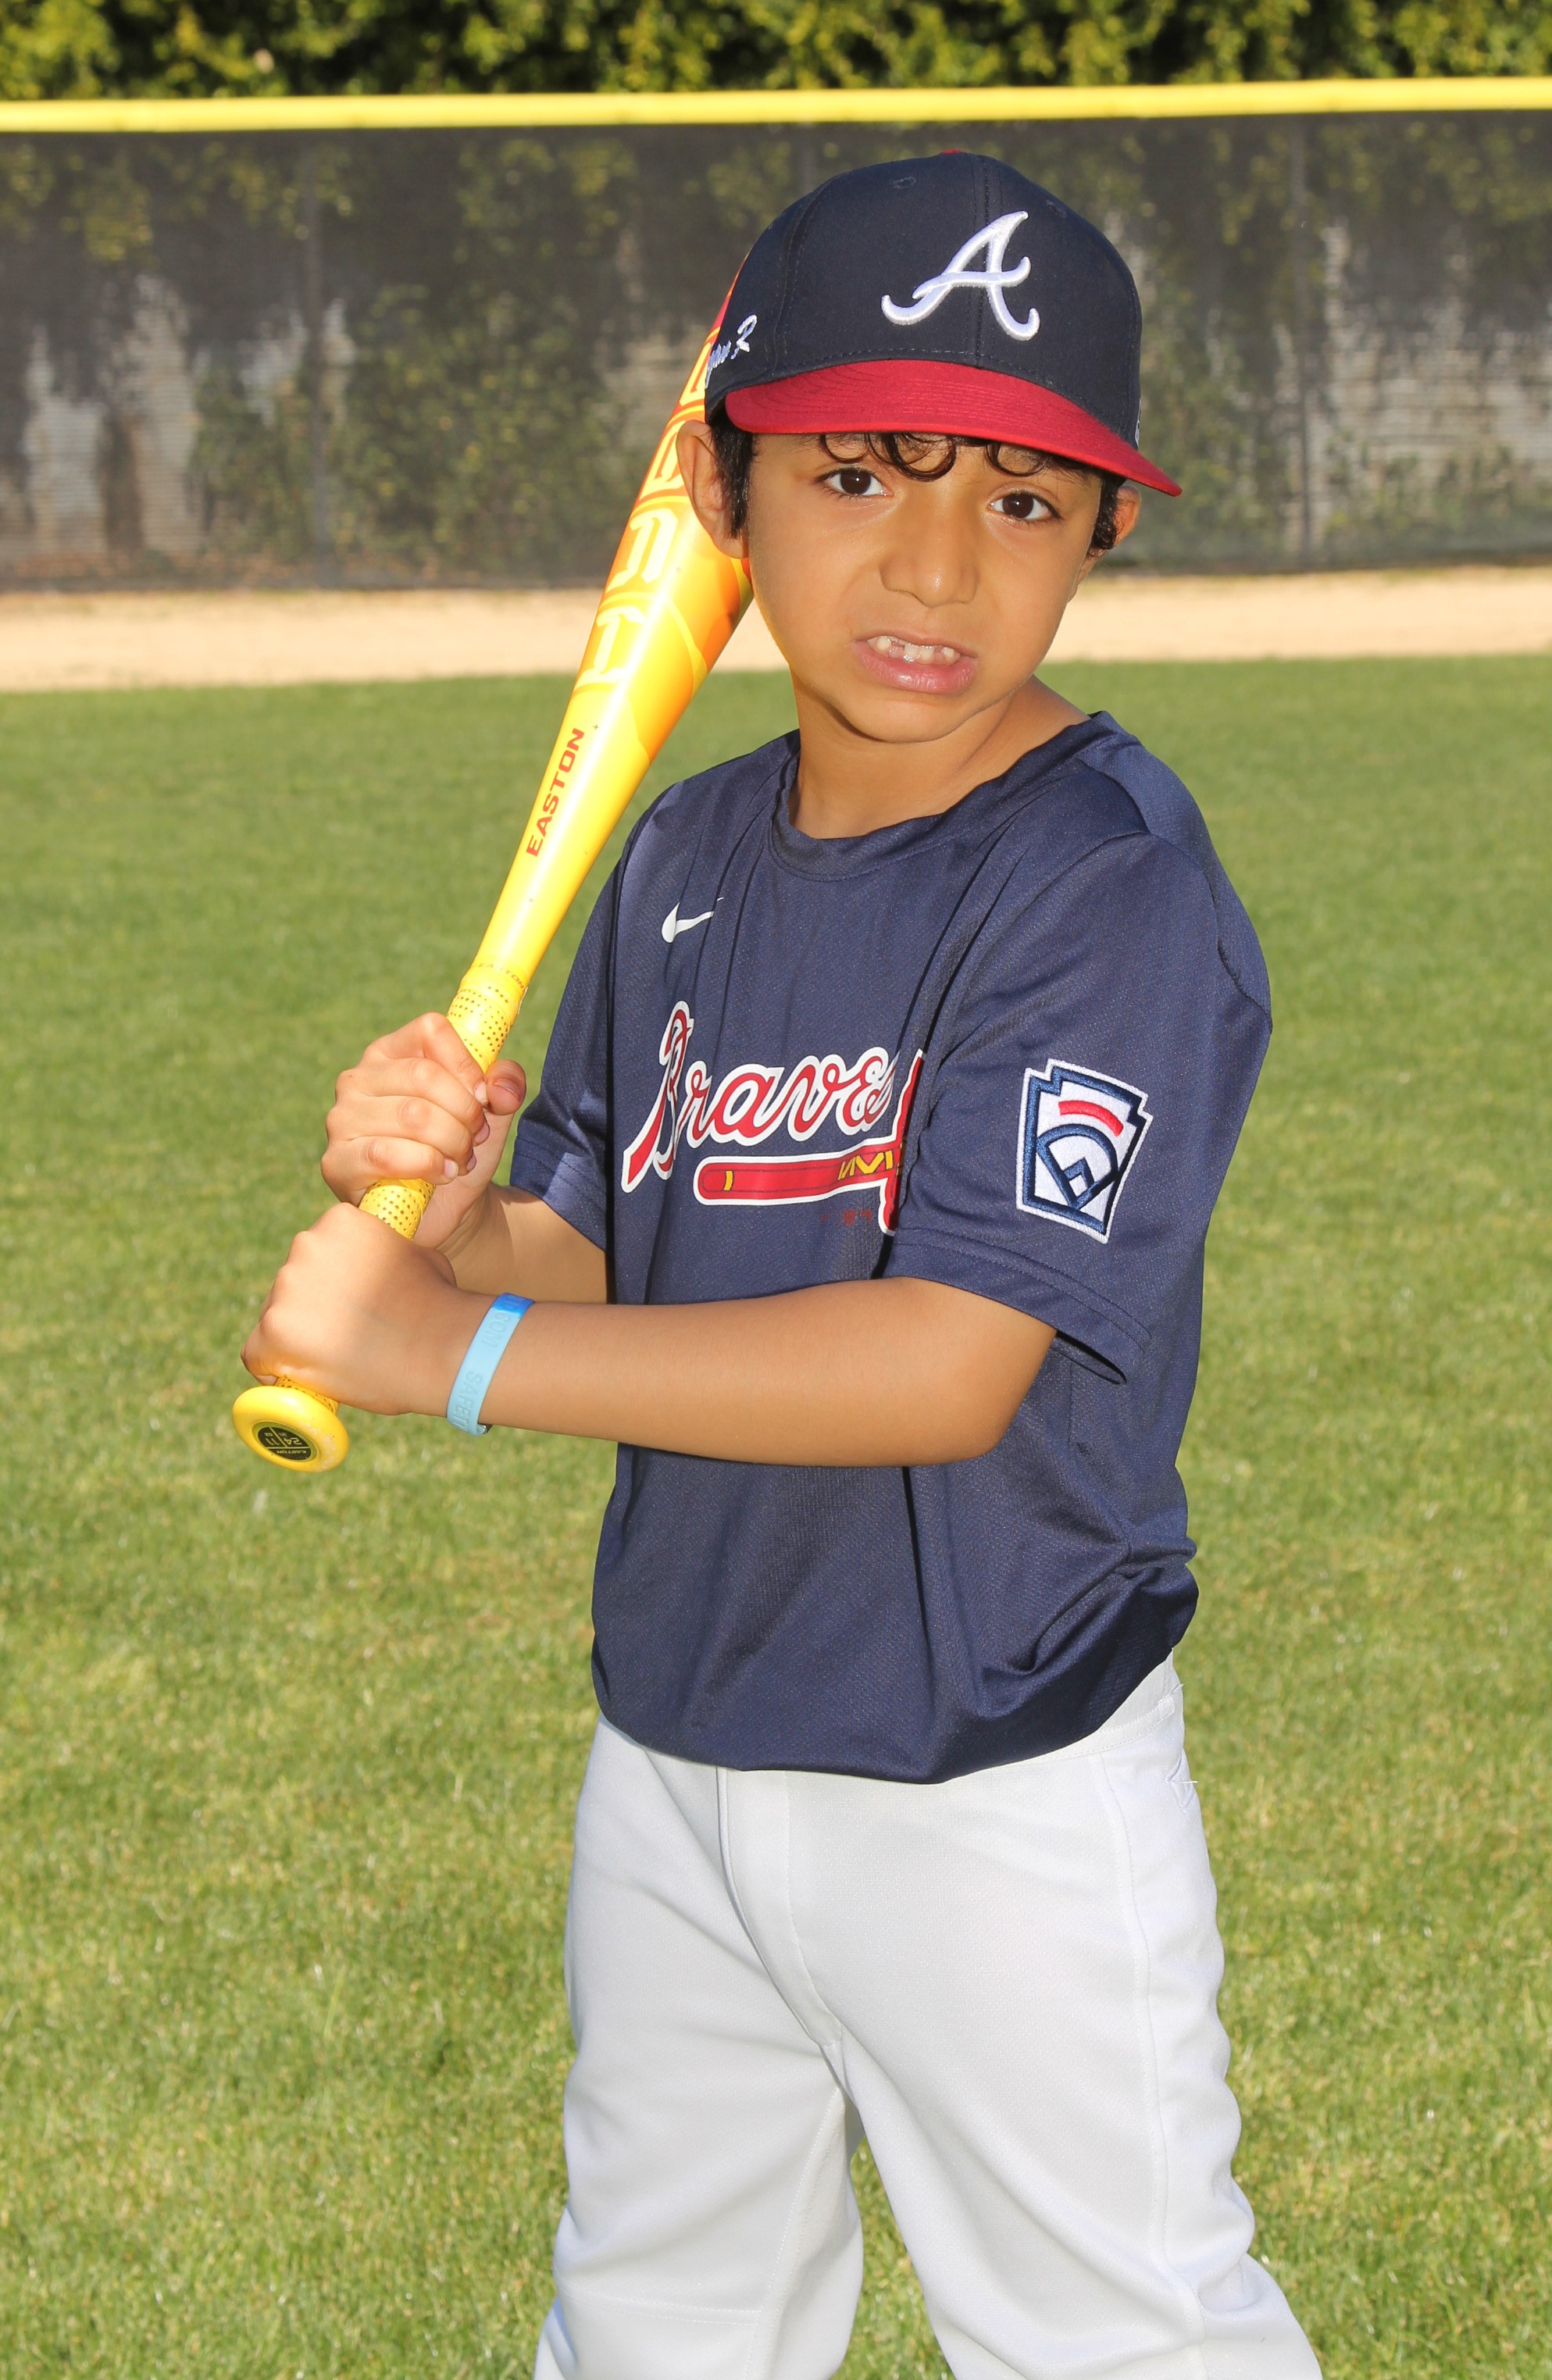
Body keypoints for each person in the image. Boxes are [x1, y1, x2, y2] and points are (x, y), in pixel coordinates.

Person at [244, 152, 1320, 2380]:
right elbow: (605, 1237)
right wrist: (454, 1217)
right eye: (855, 476)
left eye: (1022, 501)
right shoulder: (690, 846)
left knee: (1119, 2336)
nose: (937, 565)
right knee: (657, 2320)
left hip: (989, 1757)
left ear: (1103, 536)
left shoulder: (1103, 881)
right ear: (725, 499)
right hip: (682, 1735)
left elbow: (943, 1361)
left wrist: (451, 1351)